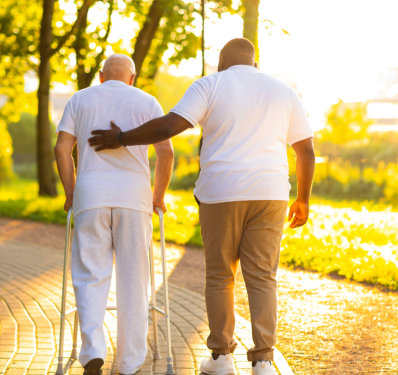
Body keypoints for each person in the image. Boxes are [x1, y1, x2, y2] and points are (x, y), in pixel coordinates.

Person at [88, 38, 315, 375]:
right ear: (255, 62)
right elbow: (306, 150)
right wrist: (303, 199)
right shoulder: (284, 91)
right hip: (270, 194)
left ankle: (222, 358)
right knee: (263, 277)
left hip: (221, 192)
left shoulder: (210, 84)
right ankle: (264, 360)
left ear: (222, 60)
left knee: (220, 274)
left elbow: (169, 126)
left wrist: (121, 139)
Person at [54, 54, 174, 375]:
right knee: (134, 280)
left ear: (102, 76)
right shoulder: (148, 101)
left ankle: (92, 350)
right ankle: (130, 362)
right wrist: (157, 196)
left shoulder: (80, 99)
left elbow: (62, 149)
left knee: (90, 275)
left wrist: (71, 192)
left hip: (90, 196)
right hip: (134, 199)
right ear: (132, 77)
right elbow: (166, 152)